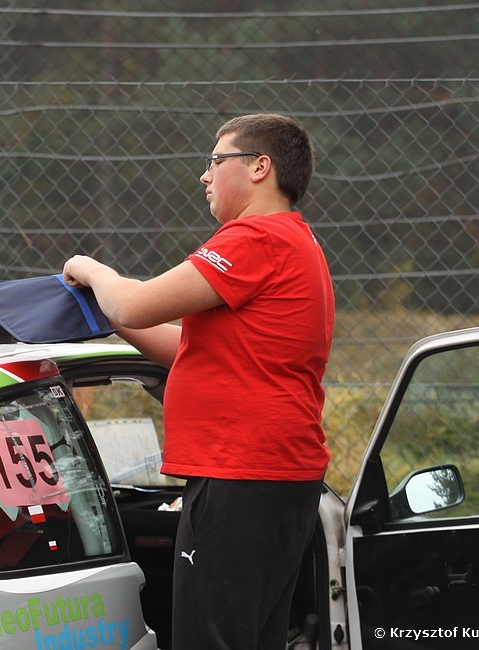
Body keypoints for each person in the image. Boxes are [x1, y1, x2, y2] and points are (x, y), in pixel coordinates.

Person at [62, 113, 334, 649]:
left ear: (260, 167)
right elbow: (183, 344)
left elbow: (136, 303)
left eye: (215, 161)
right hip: (270, 474)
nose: (204, 176)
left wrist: (90, 270)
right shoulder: (290, 239)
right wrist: (108, 311)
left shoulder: (255, 237)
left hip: (241, 473)